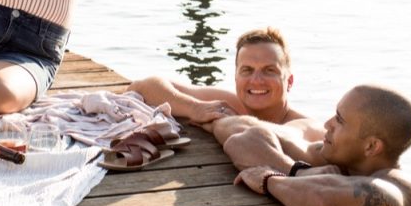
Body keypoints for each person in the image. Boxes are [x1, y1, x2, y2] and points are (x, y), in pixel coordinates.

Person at [225, 84, 411, 206]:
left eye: (340, 121)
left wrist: (268, 179)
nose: (327, 124)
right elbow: (242, 137)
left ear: (371, 146)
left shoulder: (401, 188)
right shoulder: (340, 160)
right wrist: (298, 171)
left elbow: (322, 197)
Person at [126, 27, 313, 130]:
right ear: (235, 77)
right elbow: (141, 87)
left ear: (289, 81)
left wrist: (225, 125)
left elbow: (274, 140)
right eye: (247, 70)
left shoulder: (303, 126)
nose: (256, 80)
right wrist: (194, 108)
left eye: (269, 70)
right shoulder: (230, 105)